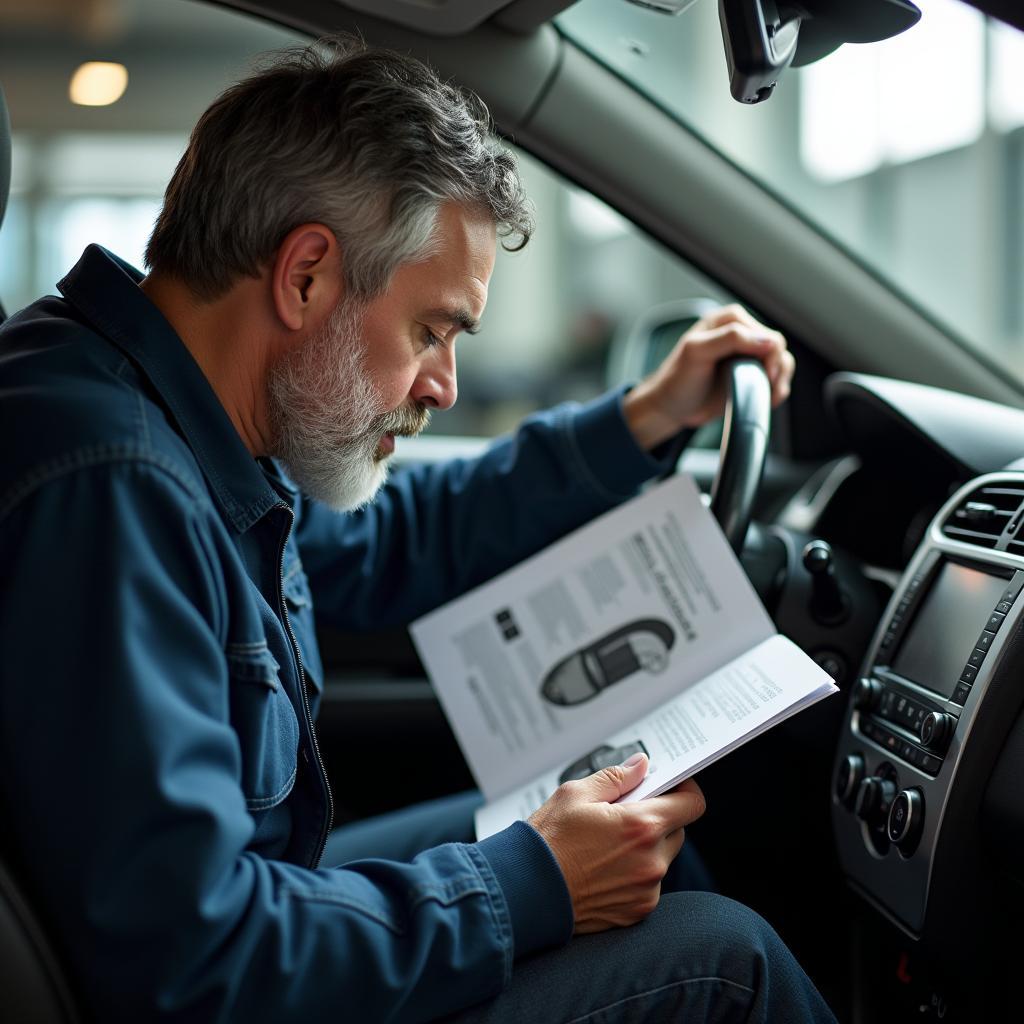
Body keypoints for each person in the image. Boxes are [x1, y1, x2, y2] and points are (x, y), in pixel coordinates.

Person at [0, 36, 834, 1024]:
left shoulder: (180, 423)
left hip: (232, 916)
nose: (442, 382)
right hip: (210, 970)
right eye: (430, 330)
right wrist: (525, 884)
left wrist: (638, 421)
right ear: (305, 276)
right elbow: (190, 958)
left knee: (636, 834)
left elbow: (381, 543)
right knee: (724, 964)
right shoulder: (110, 486)